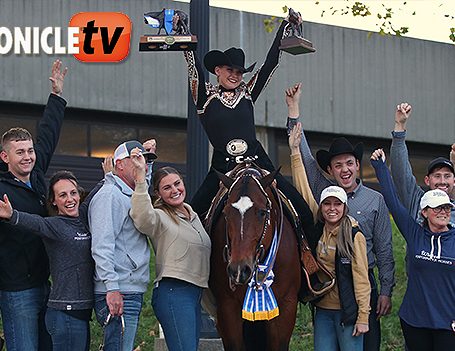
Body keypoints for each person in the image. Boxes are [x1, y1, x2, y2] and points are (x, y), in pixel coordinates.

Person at [182, 12, 316, 239]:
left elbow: (270, 64)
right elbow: (193, 67)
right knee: (190, 218)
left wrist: (285, 25)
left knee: (302, 208)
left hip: (258, 161)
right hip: (222, 167)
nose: (235, 76)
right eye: (230, 70)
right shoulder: (204, 96)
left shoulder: (247, 92)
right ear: (218, 71)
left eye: (239, 72)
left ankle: (310, 263)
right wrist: (183, 33)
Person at [286, 83, 395, 351]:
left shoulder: (375, 200)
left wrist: (385, 291)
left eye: (349, 163)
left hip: (361, 285)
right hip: (327, 290)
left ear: (357, 165)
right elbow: (302, 154)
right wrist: (293, 109)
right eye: (337, 165)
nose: (344, 169)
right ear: (330, 169)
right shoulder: (323, 194)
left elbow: (384, 251)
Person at [0, 60, 67, 351]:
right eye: (19, 153)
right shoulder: (1, 190)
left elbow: (48, 134)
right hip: (17, 290)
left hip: (45, 284)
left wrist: (56, 95)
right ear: (5, 158)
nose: (28, 156)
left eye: (29, 150)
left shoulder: (37, 175)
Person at [289, 123, 370, 350]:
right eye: (327, 204)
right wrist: (295, 153)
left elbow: (362, 278)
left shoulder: (354, 234)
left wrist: (363, 317)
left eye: (337, 204)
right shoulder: (318, 229)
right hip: (323, 310)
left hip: (347, 312)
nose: (332, 208)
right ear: (321, 207)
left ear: (344, 207)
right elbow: (302, 190)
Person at [370, 148, 455, 351]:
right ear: (424, 212)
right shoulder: (415, 233)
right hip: (415, 320)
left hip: (449, 322)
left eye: (446, 207)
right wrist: (380, 167)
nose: (443, 212)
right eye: (437, 207)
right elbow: (392, 199)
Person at [0, 171, 94, 351]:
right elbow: (34, 222)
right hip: (65, 315)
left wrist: (111, 175)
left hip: (82, 313)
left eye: (73, 193)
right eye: (62, 195)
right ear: (53, 201)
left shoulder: (80, 218)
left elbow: (94, 195)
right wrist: (12, 215)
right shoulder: (53, 225)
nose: (70, 199)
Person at [129, 148, 211, 351]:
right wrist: (141, 177)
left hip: (195, 293)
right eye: (166, 188)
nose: (174, 190)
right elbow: (141, 217)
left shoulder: (193, 216)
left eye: (177, 183)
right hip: (174, 292)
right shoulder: (159, 216)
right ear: (158, 193)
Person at [88, 140, 157, 351]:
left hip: (128, 291)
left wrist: (146, 162)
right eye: (136, 160)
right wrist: (112, 289)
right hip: (119, 294)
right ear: (119, 164)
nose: (142, 165)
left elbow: (141, 189)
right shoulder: (109, 196)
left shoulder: (128, 192)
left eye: (145, 161)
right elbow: (101, 246)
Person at [390, 102, 455, 227]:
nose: (442, 181)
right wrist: (400, 126)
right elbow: (401, 173)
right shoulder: (417, 202)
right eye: (437, 176)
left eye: (447, 176)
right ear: (427, 180)